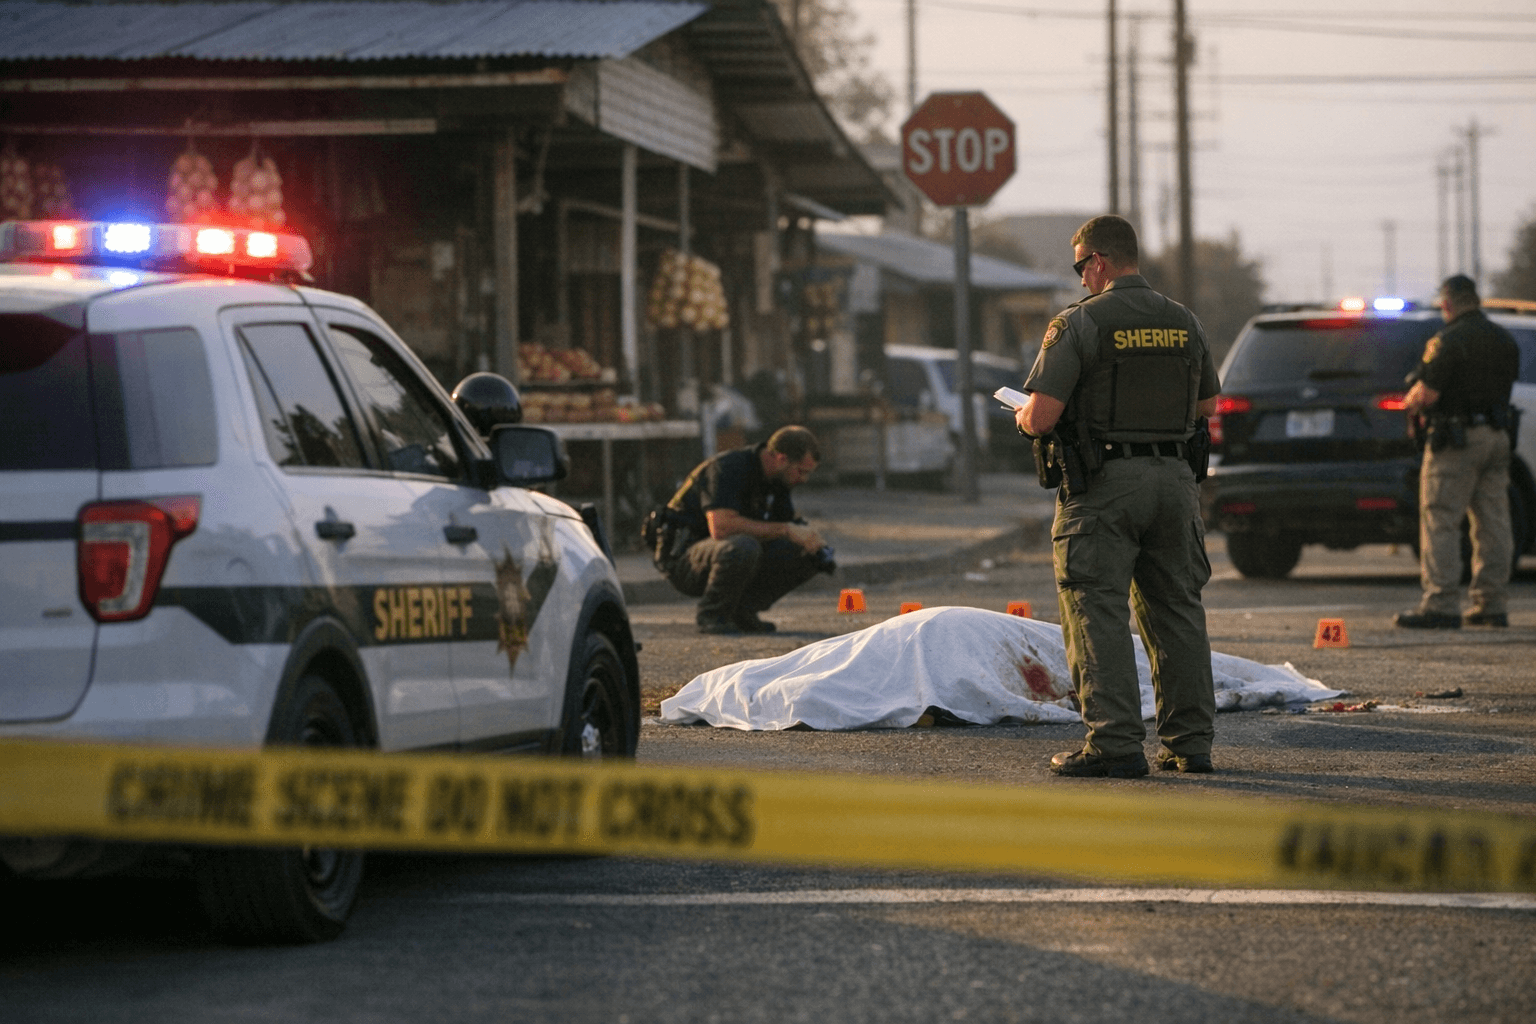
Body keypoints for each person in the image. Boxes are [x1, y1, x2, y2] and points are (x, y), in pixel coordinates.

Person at [1013, 215, 1222, 778]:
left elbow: (1043, 417)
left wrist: (1024, 417)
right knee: (1177, 609)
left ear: (1099, 261)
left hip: (1104, 488)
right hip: (1175, 483)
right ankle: (1190, 744)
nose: (1081, 278)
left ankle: (1115, 744)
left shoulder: (1079, 323)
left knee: (1096, 609)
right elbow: (1207, 407)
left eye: (1081, 267)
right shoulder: (1184, 321)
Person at [1394, 275, 1521, 630]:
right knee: (1494, 522)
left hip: (1456, 441)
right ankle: (1492, 604)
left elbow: (1429, 394)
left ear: (1448, 303)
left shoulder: (1448, 340)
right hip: (1497, 436)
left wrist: (1412, 398)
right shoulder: (1504, 338)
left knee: (1441, 518)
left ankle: (1442, 604)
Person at [656, 425, 832, 634]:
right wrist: (787, 529)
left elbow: (782, 525)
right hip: (684, 559)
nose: (804, 479)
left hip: (726, 553)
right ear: (781, 459)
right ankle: (712, 614)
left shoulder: (778, 479)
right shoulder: (729, 467)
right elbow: (721, 527)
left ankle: (742, 612)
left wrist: (809, 540)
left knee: (807, 552)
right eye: (801, 471)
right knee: (743, 545)